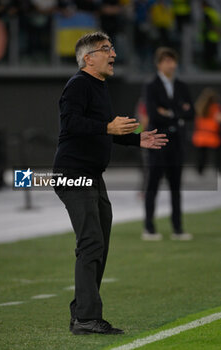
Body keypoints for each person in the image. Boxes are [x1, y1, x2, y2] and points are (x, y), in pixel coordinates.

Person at [53, 32, 168, 335]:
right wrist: (107, 126)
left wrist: (135, 138)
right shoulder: (78, 84)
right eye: (106, 49)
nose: (113, 53)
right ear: (88, 58)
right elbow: (71, 124)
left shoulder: (99, 86)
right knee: (91, 242)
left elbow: (105, 131)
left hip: (92, 175)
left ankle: (82, 313)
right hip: (73, 173)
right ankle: (87, 318)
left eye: (112, 47)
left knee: (99, 243)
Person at [142, 46, 194, 241]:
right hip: (157, 141)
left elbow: (192, 113)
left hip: (177, 142)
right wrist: (179, 112)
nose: (170, 64)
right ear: (158, 63)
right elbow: (154, 113)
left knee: (175, 186)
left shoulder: (182, 85)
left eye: (172, 60)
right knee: (152, 185)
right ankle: (149, 227)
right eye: (166, 61)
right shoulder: (151, 85)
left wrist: (170, 112)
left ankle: (178, 228)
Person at [192, 88, 221, 175]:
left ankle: (199, 171)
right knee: (218, 155)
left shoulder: (199, 106)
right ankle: (218, 169)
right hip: (212, 136)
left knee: (201, 155)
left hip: (200, 135)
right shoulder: (215, 108)